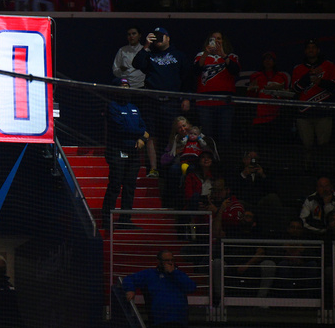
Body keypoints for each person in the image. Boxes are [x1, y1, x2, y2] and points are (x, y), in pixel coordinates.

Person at [132, 26, 191, 179]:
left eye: (161, 36)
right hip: (151, 101)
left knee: (171, 135)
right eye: (155, 36)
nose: (157, 39)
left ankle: (169, 166)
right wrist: (146, 46)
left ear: (168, 38)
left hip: (171, 102)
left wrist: (186, 98)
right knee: (150, 135)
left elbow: (187, 77)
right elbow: (136, 64)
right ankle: (153, 168)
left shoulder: (178, 55)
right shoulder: (149, 55)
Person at [122, 249, 197, 328]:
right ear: (159, 261)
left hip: (179, 322)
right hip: (160, 320)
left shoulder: (179, 275)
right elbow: (129, 279)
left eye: (172, 260)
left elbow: (191, 287)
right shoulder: (150, 274)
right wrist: (130, 289)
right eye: (167, 260)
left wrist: (174, 273)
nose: (170, 263)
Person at [102, 77, 150, 227]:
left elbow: (144, 127)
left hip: (134, 152)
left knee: (130, 186)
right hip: (117, 151)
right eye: (122, 86)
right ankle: (107, 219)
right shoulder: (112, 106)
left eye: (127, 86)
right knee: (115, 184)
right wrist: (141, 134)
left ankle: (125, 219)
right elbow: (121, 128)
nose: (125, 88)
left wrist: (142, 138)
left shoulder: (134, 108)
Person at [292, 39, 335, 172]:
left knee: (323, 144)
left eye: (313, 47)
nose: (311, 50)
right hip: (304, 113)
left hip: (323, 112)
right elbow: (295, 89)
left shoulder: (328, 65)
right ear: (305, 51)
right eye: (308, 47)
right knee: (307, 145)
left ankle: (322, 171)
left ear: (318, 50)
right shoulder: (299, 68)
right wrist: (308, 76)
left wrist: (320, 81)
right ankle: (307, 171)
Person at [193, 30, 240, 147]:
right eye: (213, 39)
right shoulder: (201, 55)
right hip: (205, 102)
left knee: (225, 137)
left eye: (219, 38)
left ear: (223, 41)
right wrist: (206, 53)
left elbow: (235, 71)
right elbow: (195, 71)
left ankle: (224, 158)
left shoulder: (232, 56)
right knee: (207, 137)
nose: (216, 41)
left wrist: (223, 55)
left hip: (225, 103)